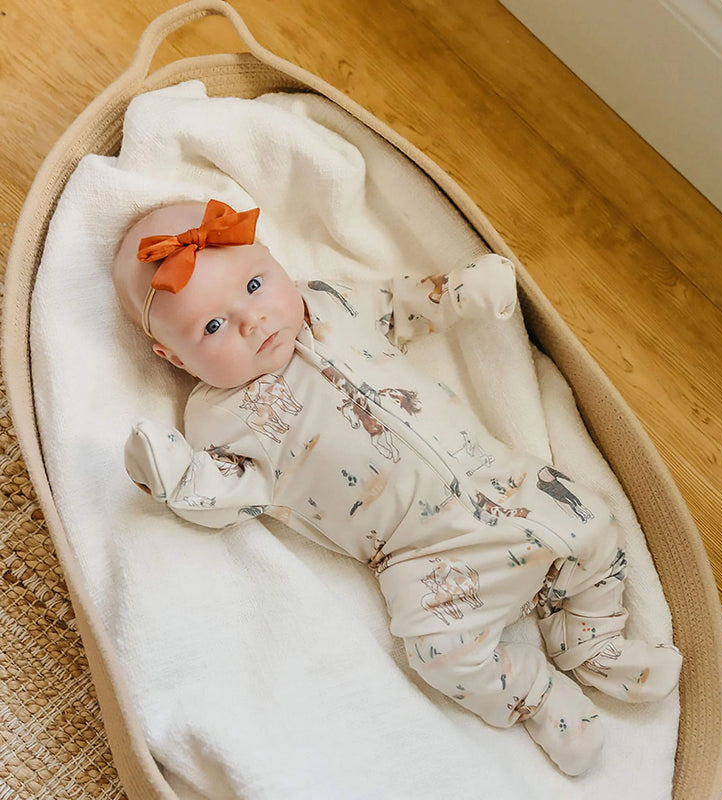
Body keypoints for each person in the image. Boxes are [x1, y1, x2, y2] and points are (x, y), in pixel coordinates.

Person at [113, 198, 682, 776]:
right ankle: (533, 695)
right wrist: (175, 477)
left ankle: (592, 640)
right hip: (422, 557)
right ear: (173, 357)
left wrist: (458, 292)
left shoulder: (328, 302)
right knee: (440, 654)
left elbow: (400, 304)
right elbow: (230, 492)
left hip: (503, 480)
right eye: (212, 327)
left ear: (275, 260)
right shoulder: (221, 418)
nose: (251, 321)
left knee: (593, 524)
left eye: (255, 285)